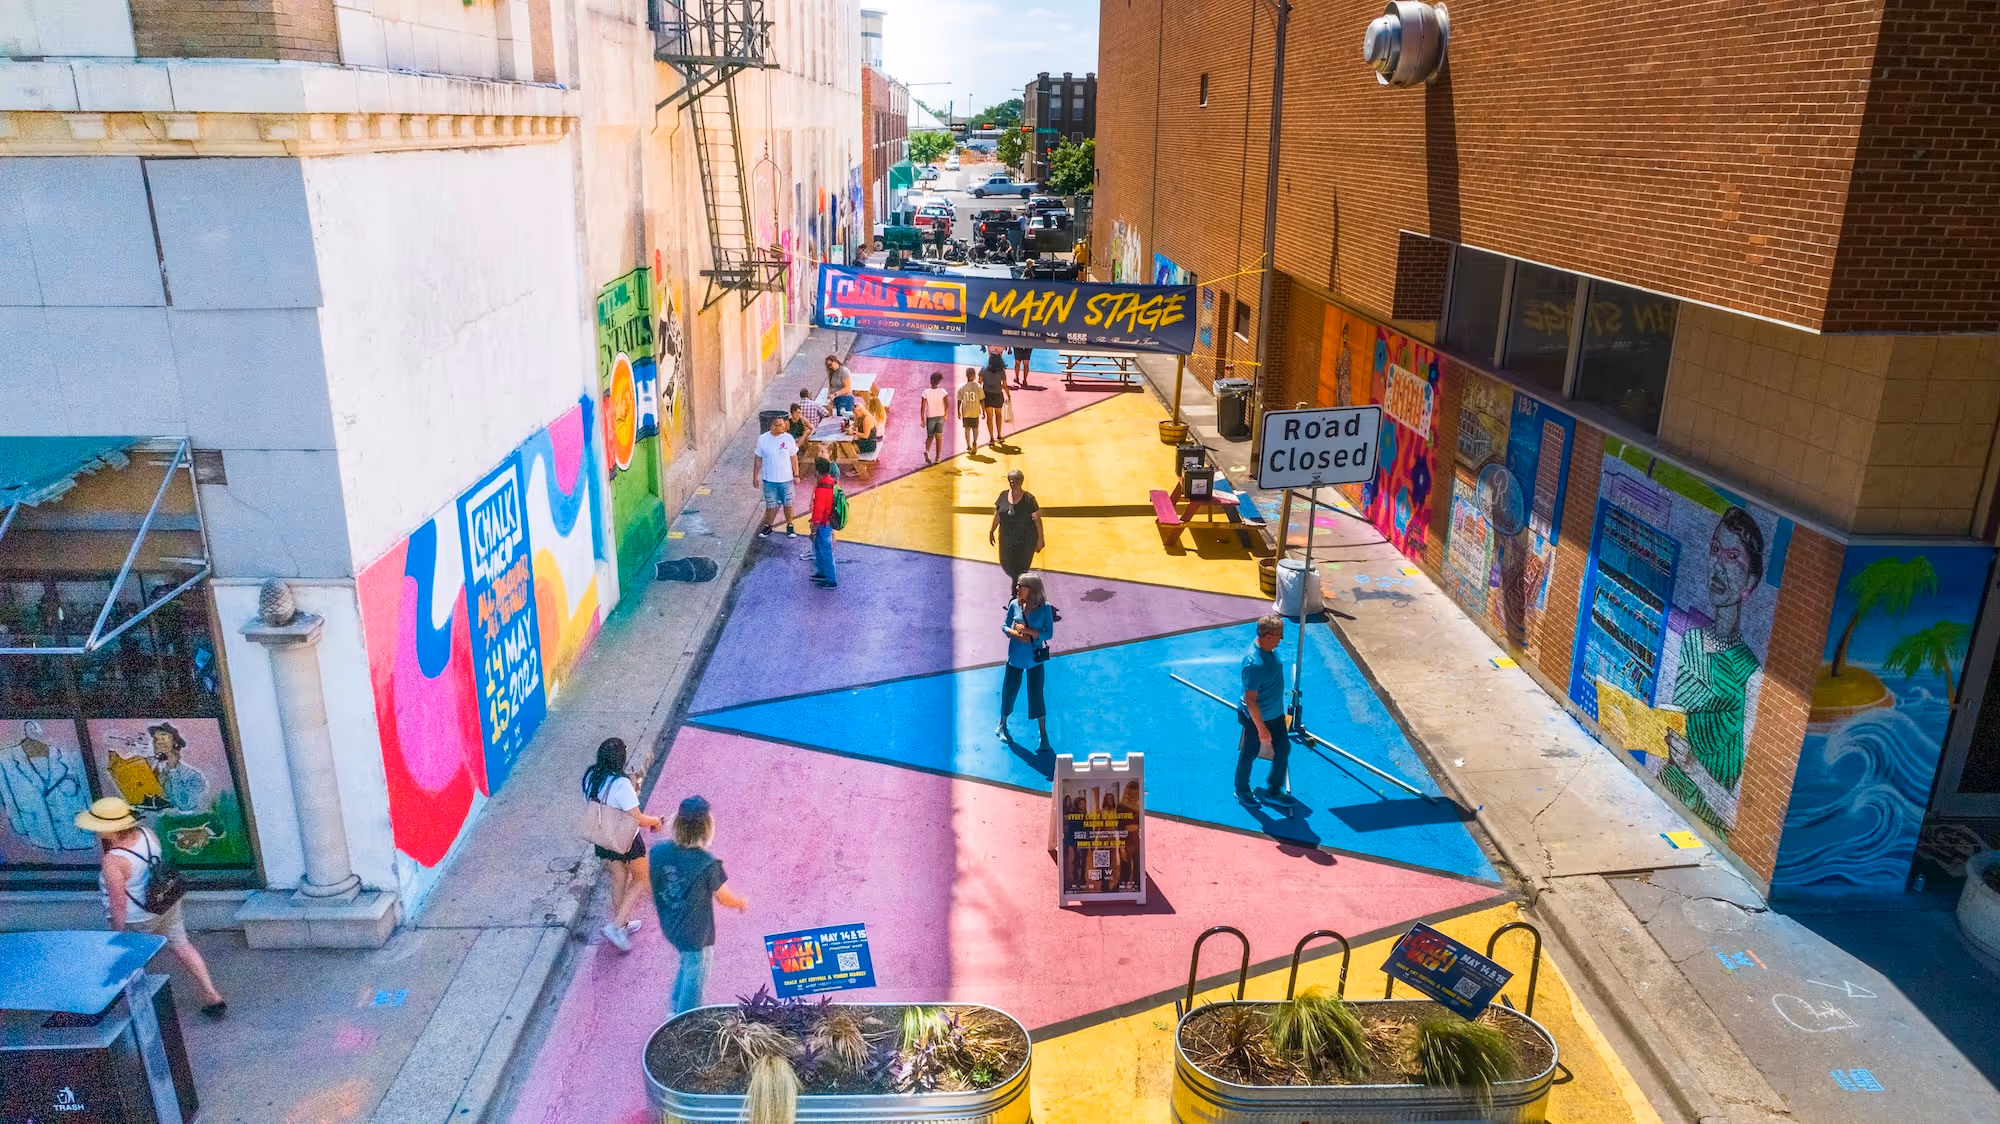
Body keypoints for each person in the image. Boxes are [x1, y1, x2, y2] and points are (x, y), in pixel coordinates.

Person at [1660, 507, 1766, 830]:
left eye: (1733, 556)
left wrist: (1693, 767)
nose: (1718, 564)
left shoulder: (1751, 677)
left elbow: (1736, 815)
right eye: (1716, 550)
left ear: (1749, 583)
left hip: (1703, 827)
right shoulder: (1689, 642)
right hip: (1663, 796)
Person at [76, 796, 227, 1018]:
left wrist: (116, 934)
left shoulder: (114, 861)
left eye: (99, 827)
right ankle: (212, 995)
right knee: (182, 946)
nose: (96, 831)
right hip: (166, 902)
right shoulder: (147, 834)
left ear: (111, 829)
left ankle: (137, 1010)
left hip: (139, 916)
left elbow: (118, 903)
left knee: (131, 961)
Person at [649, 795, 748, 1014]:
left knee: (687, 964)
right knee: (696, 974)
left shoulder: (658, 852)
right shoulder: (707, 865)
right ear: (706, 829)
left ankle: (673, 1009)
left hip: (671, 924)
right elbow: (724, 898)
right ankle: (685, 1019)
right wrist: (740, 902)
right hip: (696, 934)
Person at [583, 738, 663, 952]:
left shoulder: (590, 777)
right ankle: (617, 926)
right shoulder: (621, 784)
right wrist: (657, 821)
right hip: (626, 839)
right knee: (641, 878)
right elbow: (637, 817)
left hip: (603, 837)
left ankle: (623, 925)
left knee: (618, 879)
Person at [1235, 614, 1300, 811]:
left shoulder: (1268, 649)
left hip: (1275, 713)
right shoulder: (1254, 664)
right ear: (1267, 635)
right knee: (1250, 752)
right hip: (1257, 718)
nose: (1281, 639)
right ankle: (1242, 788)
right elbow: (1251, 700)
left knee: (1283, 748)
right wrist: (1261, 728)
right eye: (1279, 635)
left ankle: (1273, 789)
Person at [998, 573, 1055, 752]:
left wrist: (1029, 631)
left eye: (1020, 585)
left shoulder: (1044, 607)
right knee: (1010, 690)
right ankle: (1002, 725)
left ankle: (1043, 734)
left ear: (1031, 588)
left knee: (1036, 694)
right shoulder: (1014, 604)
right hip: (1015, 657)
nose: (1017, 588)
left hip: (1035, 660)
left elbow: (1048, 634)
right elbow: (1005, 626)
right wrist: (1015, 634)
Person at [989, 469, 1044, 587]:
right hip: (1006, 539)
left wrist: (1040, 539)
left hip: (1025, 539)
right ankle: (1018, 587)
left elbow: (1037, 520)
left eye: (1016, 481)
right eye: (1011, 481)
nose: (1013, 484)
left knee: (1020, 568)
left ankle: (1018, 591)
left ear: (1021, 482)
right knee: (1006, 564)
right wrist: (992, 530)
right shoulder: (1003, 495)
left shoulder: (1029, 499)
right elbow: (997, 514)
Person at [753, 413, 799, 538]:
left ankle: (790, 526)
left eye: (782, 425)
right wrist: (755, 477)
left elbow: (793, 458)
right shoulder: (762, 439)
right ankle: (768, 526)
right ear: (771, 426)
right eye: (777, 425)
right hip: (769, 480)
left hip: (786, 479)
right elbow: (758, 459)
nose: (781, 427)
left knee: (788, 504)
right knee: (771, 505)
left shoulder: (788, 438)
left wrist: (796, 474)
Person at [809, 457, 840, 588]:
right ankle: (822, 573)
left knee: (825, 551)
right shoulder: (832, 482)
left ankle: (831, 580)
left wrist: (813, 529)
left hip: (823, 524)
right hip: (828, 522)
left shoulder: (822, 489)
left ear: (817, 471)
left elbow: (818, 512)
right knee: (820, 548)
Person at [979, 347, 1010, 446]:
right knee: (998, 415)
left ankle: (991, 437)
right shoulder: (1001, 371)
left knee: (989, 417)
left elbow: (979, 383)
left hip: (986, 394)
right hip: (997, 394)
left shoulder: (983, 369)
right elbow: (1004, 385)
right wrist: (1009, 395)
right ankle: (999, 435)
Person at [920, 371, 950, 464]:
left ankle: (927, 451)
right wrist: (945, 414)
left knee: (930, 436)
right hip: (940, 416)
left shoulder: (926, 392)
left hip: (930, 417)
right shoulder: (943, 392)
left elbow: (923, 407)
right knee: (939, 437)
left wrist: (922, 419)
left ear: (931, 380)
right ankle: (937, 457)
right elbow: (947, 404)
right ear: (939, 382)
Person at [956, 368, 984, 455]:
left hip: (966, 411)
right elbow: (982, 399)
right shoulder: (978, 386)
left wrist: (958, 411)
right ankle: (975, 441)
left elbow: (959, 400)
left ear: (966, 375)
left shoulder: (962, 387)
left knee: (967, 428)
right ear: (974, 375)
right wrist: (983, 410)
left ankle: (968, 445)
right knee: (975, 428)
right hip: (975, 411)